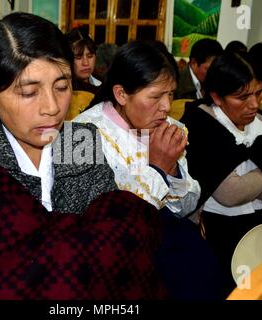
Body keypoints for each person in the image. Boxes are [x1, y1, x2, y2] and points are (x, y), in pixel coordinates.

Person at [0, 12, 167, 300]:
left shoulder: (78, 141)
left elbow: (115, 244)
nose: (52, 107)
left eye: (62, 86)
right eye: (29, 92)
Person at [74, 41, 223, 300]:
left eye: (171, 94)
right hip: (117, 258)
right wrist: (157, 168)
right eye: (155, 96)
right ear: (121, 94)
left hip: (168, 239)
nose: (166, 107)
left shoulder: (167, 127)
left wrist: (173, 168)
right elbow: (100, 225)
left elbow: (186, 206)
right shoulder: (79, 135)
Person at [180, 52, 262, 297]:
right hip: (217, 232)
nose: (254, 104)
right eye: (242, 97)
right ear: (216, 97)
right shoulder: (201, 125)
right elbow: (231, 194)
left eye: (258, 93)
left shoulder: (261, 124)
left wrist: (260, 178)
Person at [66, 28, 101, 93]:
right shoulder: (66, 91)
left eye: (90, 56)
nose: (86, 63)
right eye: (78, 57)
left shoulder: (104, 83)